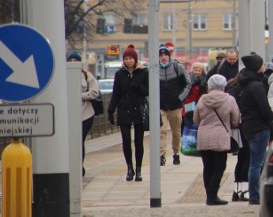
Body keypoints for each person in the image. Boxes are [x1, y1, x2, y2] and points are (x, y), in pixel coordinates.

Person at [236, 53, 273, 205]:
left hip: (248, 125)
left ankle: (255, 194)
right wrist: (272, 119)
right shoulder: (257, 86)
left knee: (254, 162)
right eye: (261, 64)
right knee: (256, 163)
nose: (263, 66)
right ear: (256, 66)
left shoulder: (244, 83)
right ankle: (255, 196)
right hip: (259, 126)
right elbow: (264, 108)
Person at [194, 74, 240, 205]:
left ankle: (209, 195)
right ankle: (212, 195)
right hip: (220, 136)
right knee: (219, 166)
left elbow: (196, 119)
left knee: (207, 166)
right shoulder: (229, 99)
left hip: (203, 136)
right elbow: (236, 120)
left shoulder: (202, 99)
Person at [107, 45, 148, 182]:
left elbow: (148, 91)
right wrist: (111, 110)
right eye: (126, 59)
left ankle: (139, 169)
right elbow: (116, 93)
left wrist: (138, 86)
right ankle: (129, 168)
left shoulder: (143, 72)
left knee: (138, 141)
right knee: (125, 141)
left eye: (131, 58)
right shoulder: (120, 74)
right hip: (124, 110)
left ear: (135, 59)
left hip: (138, 109)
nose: (128, 61)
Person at [157, 45, 192, 166]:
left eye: (165, 55)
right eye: (161, 55)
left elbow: (188, 84)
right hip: (160, 106)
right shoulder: (154, 70)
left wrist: (180, 98)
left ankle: (176, 153)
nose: (163, 57)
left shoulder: (178, 67)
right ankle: (161, 155)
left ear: (169, 55)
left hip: (175, 106)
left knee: (176, 132)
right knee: (161, 131)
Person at [69, 50, 99, 177]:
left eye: (76, 60)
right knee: (70, 142)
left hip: (85, 114)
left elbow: (94, 92)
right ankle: (71, 165)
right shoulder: (62, 75)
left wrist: (80, 96)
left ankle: (79, 166)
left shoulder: (87, 76)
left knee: (79, 140)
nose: (73, 63)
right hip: (69, 115)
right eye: (70, 60)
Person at [225, 74, 250, 201]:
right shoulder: (242, 88)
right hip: (242, 125)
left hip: (234, 128)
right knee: (246, 157)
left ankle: (237, 189)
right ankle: (245, 190)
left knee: (241, 159)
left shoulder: (230, 86)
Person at [182, 62, 208, 126]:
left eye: (199, 71)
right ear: (192, 70)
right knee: (187, 121)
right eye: (195, 70)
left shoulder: (204, 81)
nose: (197, 72)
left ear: (202, 71)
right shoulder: (188, 79)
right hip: (189, 103)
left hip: (199, 103)